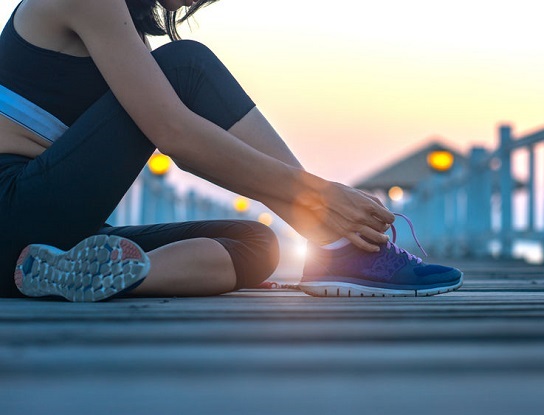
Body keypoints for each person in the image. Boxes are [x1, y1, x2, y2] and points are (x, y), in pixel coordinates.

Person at [0, 0, 462, 302]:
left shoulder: (121, 28)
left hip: (33, 250)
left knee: (257, 242)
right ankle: (335, 241)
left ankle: (94, 275)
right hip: (13, 210)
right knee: (186, 66)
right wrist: (319, 196)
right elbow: (176, 135)